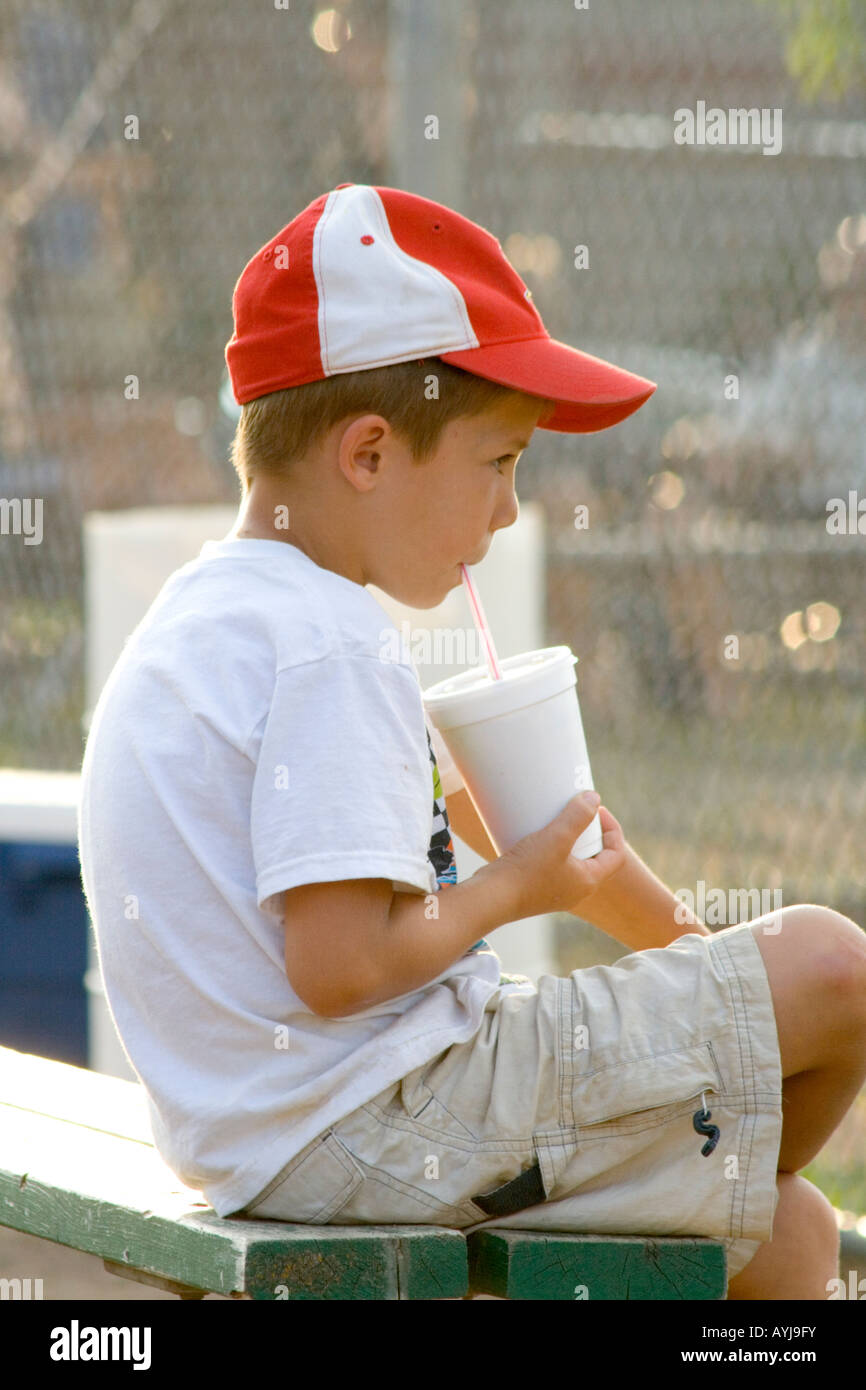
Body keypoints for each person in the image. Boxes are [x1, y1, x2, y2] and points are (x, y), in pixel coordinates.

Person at [77, 183, 866, 1301]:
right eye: (497, 463)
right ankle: (689, 1147)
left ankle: (691, 1159)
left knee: (788, 1239)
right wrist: (514, 884)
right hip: (390, 1117)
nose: (506, 512)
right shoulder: (329, 643)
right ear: (366, 454)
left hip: (277, 1140)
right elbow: (340, 966)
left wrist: (588, 886)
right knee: (836, 966)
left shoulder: (206, 622)